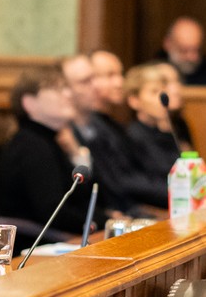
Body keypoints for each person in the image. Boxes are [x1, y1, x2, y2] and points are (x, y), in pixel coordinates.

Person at [0, 66, 100, 238]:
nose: (68, 94)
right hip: (37, 242)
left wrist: (77, 153)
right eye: (57, 89)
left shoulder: (47, 140)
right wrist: (103, 222)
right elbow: (55, 213)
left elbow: (82, 197)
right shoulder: (31, 145)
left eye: (66, 88)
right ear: (30, 103)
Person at [63, 53, 162, 214]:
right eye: (86, 81)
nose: (120, 82)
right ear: (65, 90)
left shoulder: (101, 125)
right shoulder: (64, 132)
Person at [123, 62, 192, 205]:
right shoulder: (133, 136)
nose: (162, 98)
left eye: (163, 91)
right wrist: (183, 191)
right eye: (154, 92)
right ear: (134, 101)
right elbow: (138, 184)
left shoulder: (169, 132)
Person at [153, 16, 206, 86]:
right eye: (184, 50)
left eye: (196, 50)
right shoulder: (152, 73)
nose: (191, 57)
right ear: (168, 44)